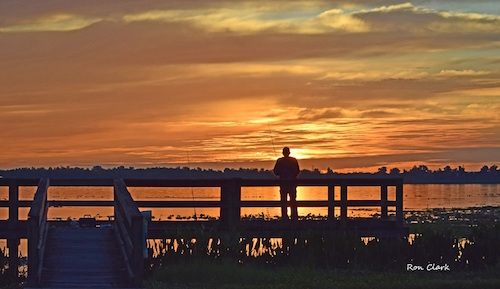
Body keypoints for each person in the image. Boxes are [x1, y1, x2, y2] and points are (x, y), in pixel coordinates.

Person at [273, 147, 300, 220]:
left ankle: (284, 217)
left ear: (283, 153)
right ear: (289, 153)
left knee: (283, 201)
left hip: (283, 184)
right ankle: (294, 217)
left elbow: (275, 172)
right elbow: (297, 171)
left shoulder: (279, 161)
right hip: (292, 184)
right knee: (293, 200)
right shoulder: (294, 160)